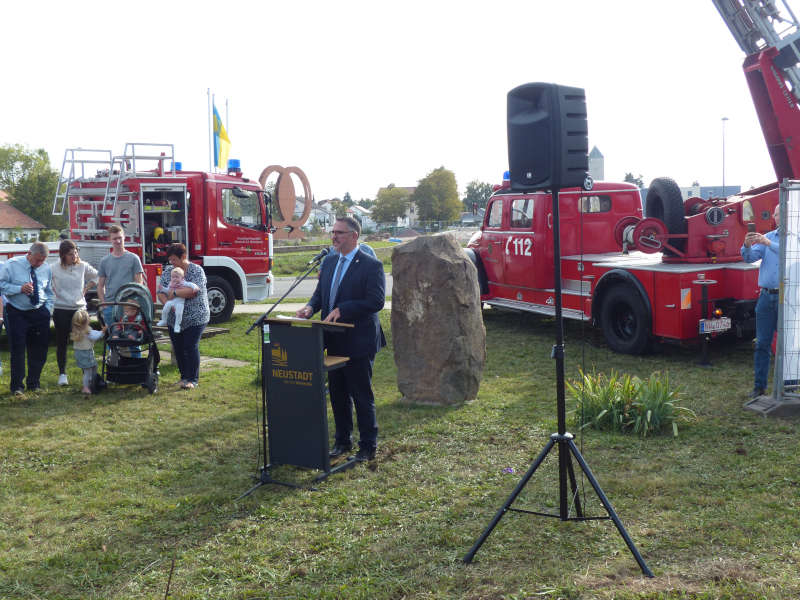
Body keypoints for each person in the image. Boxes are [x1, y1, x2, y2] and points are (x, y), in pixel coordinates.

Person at [295, 217, 386, 462]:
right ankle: (342, 441)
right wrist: (309, 308)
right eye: (333, 232)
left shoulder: (371, 265)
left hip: (359, 340)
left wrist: (345, 309)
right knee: (337, 393)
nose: (334, 237)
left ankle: (368, 446)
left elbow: (376, 301)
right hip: (332, 339)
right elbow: (321, 293)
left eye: (340, 233)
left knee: (361, 395)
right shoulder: (330, 260)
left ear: (355, 236)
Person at [0, 242, 55, 395]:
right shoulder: (11, 265)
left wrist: (47, 308)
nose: (39, 264)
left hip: (39, 312)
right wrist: (19, 289)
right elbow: (1, 285)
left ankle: (34, 382)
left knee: (39, 349)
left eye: (43, 260)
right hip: (17, 312)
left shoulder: (46, 268)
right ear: (29, 254)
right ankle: (17, 386)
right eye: (37, 260)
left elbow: (49, 290)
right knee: (18, 350)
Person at [741, 204, 781, 398]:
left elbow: (790, 252)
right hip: (766, 297)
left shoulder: (795, 238)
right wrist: (747, 245)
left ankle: (790, 386)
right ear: (774, 217)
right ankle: (759, 387)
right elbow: (749, 258)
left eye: (784, 213)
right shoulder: (769, 237)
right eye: (777, 214)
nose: (781, 217)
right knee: (762, 343)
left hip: (788, 297)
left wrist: (767, 243)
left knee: (791, 345)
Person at [157, 243, 210, 389]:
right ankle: (183, 377)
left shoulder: (196, 270)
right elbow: (161, 292)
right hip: (174, 319)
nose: (171, 263)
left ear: (184, 257)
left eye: (174, 259)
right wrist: (168, 304)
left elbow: (193, 291)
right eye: (170, 260)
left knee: (190, 346)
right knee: (178, 347)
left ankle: (193, 379)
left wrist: (174, 293)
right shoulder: (168, 271)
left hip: (196, 316)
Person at [51, 239, 99, 386]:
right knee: (62, 342)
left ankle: (87, 373)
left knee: (84, 340)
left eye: (76, 253)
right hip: (61, 309)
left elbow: (98, 276)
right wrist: (53, 293)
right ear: (63, 255)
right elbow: (44, 281)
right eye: (70, 254)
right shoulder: (53, 267)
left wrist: (86, 288)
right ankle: (62, 374)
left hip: (79, 309)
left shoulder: (83, 266)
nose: (74, 256)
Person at [97, 224, 144, 326]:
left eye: (120, 238)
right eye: (114, 239)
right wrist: (104, 304)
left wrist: (134, 301)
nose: (118, 241)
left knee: (131, 337)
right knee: (113, 337)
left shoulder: (134, 258)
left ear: (124, 237)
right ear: (110, 239)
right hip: (110, 305)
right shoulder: (104, 261)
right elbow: (100, 285)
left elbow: (139, 283)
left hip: (128, 304)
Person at [70, 309, 105, 394]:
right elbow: (95, 336)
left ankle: (90, 382)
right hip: (86, 353)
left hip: (79, 353)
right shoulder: (87, 330)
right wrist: (103, 332)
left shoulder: (76, 330)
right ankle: (86, 387)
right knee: (88, 371)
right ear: (87, 320)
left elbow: (94, 333)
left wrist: (100, 332)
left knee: (92, 368)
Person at [156, 266, 199, 333]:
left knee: (179, 313)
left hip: (180, 302)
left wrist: (195, 287)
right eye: (173, 277)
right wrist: (163, 289)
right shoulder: (171, 283)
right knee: (165, 308)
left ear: (182, 278)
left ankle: (177, 325)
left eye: (177, 277)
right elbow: (168, 290)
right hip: (172, 301)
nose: (174, 279)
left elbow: (190, 284)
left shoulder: (183, 283)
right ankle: (164, 320)